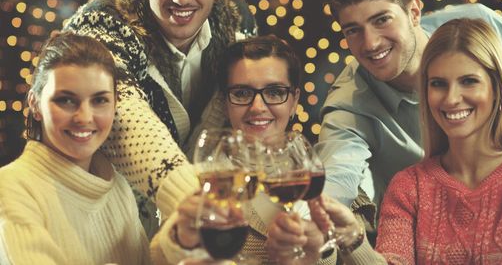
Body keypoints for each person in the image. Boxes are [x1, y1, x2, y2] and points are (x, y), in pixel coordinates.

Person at [269, 18, 502, 264]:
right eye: (438, 84)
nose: (451, 99)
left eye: (469, 81)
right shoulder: (409, 186)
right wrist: (352, 239)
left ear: (497, 87)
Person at [63, 0, 256, 227]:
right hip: (104, 225)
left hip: (199, 230)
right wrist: (197, 207)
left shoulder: (238, 25)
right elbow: (124, 119)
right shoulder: (102, 22)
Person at [316, 0, 502, 211]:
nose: (370, 44)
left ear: (414, 12)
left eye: (381, 20)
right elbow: (336, 178)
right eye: (353, 30)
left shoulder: (481, 29)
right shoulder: (349, 103)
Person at [150, 35, 372, 264]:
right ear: (225, 104)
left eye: (275, 92)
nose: (257, 107)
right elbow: (162, 256)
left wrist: (352, 240)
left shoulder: (333, 179)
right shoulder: (198, 186)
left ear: (294, 101)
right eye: (242, 93)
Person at [0, 33, 150, 264]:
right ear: (35, 104)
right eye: (66, 100)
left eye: (99, 100)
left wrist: (181, 240)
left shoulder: (118, 187)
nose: (84, 117)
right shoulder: (11, 188)